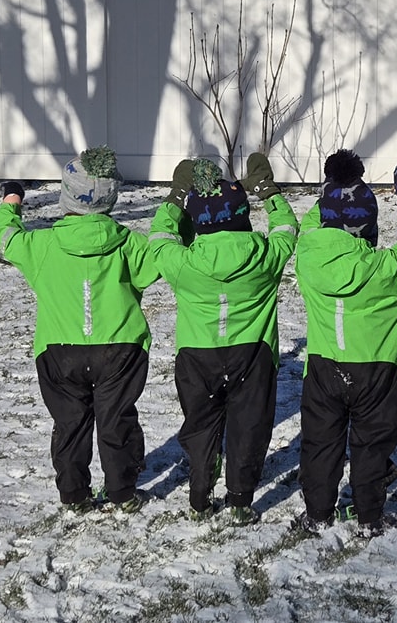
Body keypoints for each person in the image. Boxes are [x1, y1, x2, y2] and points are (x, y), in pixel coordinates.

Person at [0, 145, 159, 514]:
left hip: (59, 350)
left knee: (70, 422)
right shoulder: (129, 243)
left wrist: (11, 199)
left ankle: (74, 494)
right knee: (116, 419)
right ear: (111, 199)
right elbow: (157, 260)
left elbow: (7, 236)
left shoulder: (43, 244)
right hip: (120, 348)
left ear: (65, 195)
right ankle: (123, 492)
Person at [147, 153, 298, 523]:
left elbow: (160, 238)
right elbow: (287, 228)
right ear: (243, 216)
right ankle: (241, 501)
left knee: (200, 425)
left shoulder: (182, 263)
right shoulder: (265, 255)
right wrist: (268, 192)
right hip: (253, 355)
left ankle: (199, 495)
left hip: (197, 356)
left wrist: (176, 195)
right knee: (250, 426)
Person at [293, 149, 397, 538]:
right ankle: (369, 515)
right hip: (379, 371)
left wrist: (332, 189)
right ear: (370, 226)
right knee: (372, 447)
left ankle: (319, 513)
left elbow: (311, 225)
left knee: (320, 444)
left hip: (324, 367)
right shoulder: (392, 269)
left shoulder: (307, 257)